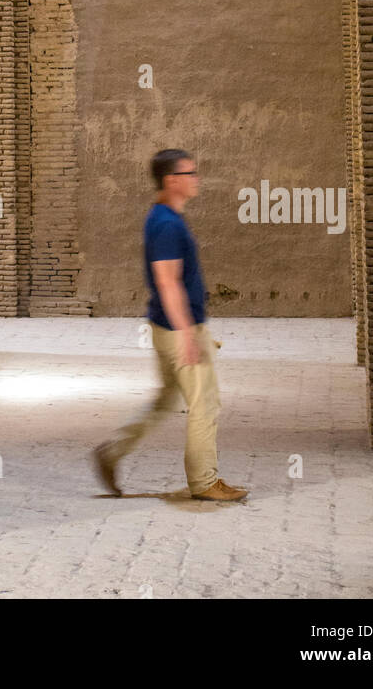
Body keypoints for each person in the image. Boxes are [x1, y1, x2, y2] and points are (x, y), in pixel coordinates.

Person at [93, 149, 247, 501]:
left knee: (165, 401)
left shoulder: (166, 218)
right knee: (205, 405)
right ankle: (205, 482)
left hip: (166, 328)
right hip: (180, 330)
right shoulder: (165, 224)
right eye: (190, 173)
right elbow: (168, 282)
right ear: (172, 180)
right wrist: (187, 335)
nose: (197, 178)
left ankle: (113, 451)